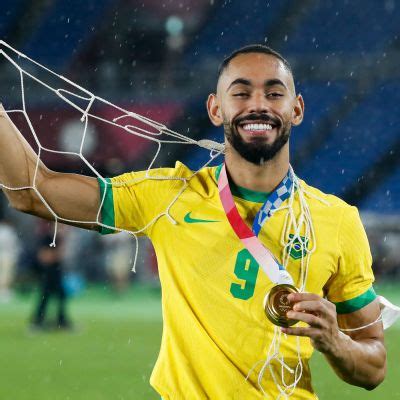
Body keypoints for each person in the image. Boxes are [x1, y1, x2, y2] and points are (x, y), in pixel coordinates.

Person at [0, 44, 386, 398]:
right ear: (216, 109)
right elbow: (32, 190)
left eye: (274, 93)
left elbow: (374, 367)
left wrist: (336, 342)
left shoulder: (337, 220)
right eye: (241, 93)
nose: (258, 104)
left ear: (296, 109)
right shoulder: (168, 197)